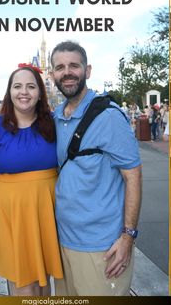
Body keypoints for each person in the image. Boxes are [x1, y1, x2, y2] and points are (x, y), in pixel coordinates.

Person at [50, 41, 142, 296]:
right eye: (60, 67)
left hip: (101, 246)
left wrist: (128, 237)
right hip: (62, 241)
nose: (67, 72)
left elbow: (133, 176)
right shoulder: (56, 118)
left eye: (74, 66)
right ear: (52, 75)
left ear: (87, 71)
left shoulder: (109, 116)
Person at [0, 64, 63, 296]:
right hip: (11, 215)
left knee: (45, 283)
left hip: (49, 212)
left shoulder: (53, 124)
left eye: (31, 86)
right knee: (24, 285)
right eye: (18, 86)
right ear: (9, 91)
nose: (24, 92)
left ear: (40, 92)